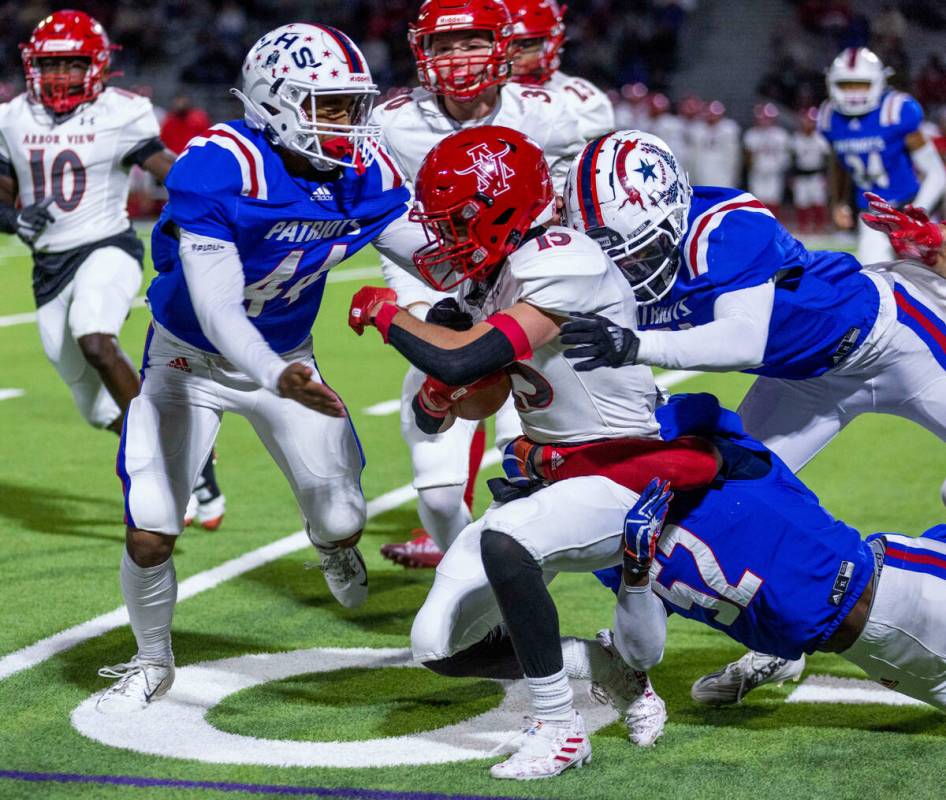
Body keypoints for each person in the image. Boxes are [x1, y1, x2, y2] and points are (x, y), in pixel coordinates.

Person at [348, 126, 722, 778]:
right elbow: (474, 395)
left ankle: (559, 727)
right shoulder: (492, 280)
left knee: (506, 543)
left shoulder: (562, 257)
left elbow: (462, 354)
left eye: (454, 222)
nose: (442, 240)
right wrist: (440, 401)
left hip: (621, 470)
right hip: (552, 475)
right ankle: (610, 667)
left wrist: (389, 314)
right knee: (436, 642)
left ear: (496, 209)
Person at [95, 23, 424, 713]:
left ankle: (331, 545)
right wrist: (275, 376)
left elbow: (433, 260)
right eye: (329, 107)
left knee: (341, 518)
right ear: (275, 102)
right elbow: (216, 309)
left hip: (289, 361)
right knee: (152, 525)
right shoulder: (219, 166)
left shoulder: (368, 174)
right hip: (187, 361)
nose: (348, 125)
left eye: (353, 106)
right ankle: (151, 662)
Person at [558, 129, 946, 701]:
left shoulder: (725, 223)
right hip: (802, 382)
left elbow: (743, 340)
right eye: (615, 253)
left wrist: (635, 344)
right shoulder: (609, 253)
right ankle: (781, 644)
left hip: (894, 336)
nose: (629, 267)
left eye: (639, 250)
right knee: (719, 509)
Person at [371, 0, 605, 569]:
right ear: (420, 51)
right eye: (443, 46)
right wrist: (423, 306)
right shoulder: (391, 121)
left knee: (540, 454)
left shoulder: (548, 111)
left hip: (530, 303)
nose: (457, 58)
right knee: (438, 489)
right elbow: (380, 222)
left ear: (502, 45)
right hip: (440, 291)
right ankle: (475, 582)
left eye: (471, 42)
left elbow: (590, 200)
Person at [0, 11, 226, 531]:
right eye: (51, 66)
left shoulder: (122, 112)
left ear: (97, 66)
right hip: (48, 267)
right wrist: (13, 217)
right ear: (32, 67)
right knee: (97, 409)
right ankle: (192, 458)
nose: (60, 77)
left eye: (73, 64)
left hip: (107, 246)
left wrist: (210, 191)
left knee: (96, 339)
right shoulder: (13, 116)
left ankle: (164, 473)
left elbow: (160, 163)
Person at [597, 392, 946, 714]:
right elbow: (641, 649)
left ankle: (776, 653)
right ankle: (776, 654)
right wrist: (636, 571)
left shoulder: (713, 459)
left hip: (900, 593)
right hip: (881, 640)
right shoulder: (614, 539)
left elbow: (697, 415)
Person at [819, 47, 945, 265]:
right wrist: (839, 203)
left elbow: (936, 173)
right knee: (875, 279)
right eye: (846, 85)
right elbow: (838, 162)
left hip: (910, 206)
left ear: (878, 82)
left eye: (861, 84)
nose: (853, 92)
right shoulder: (829, 117)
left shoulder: (895, 110)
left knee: (933, 282)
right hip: (872, 216)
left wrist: (915, 215)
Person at [506, 0, 615, 137]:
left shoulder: (580, 101)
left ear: (550, 43)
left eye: (527, 43)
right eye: (504, 43)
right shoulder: (478, 98)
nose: (513, 53)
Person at [743, 102, 791, 219]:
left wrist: (782, 168)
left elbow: (786, 155)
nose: (764, 121)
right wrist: (751, 168)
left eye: (767, 118)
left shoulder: (781, 135)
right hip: (758, 171)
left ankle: (773, 224)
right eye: (762, 118)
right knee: (757, 198)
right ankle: (759, 224)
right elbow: (748, 155)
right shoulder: (751, 134)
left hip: (774, 171)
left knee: (774, 198)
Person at [791, 107, 831, 233]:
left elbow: (827, 159)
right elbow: (792, 159)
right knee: (801, 202)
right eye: (808, 121)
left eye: (812, 121)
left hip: (816, 175)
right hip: (801, 175)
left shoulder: (821, 139)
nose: (810, 124)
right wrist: (791, 176)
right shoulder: (796, 139)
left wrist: (827, 176)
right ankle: (804, 227)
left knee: (818, 201)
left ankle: (820, 227)